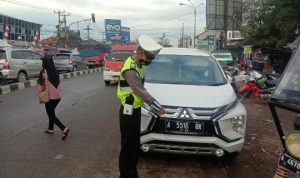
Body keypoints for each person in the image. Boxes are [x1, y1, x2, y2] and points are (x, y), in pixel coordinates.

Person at [117, 35, 166, 178]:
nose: (149, 61)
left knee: (133, 147)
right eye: (148, 57)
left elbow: (139, 93)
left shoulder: (136, 64)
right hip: (128, 113)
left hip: (134, 111)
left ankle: (132, 174)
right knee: (128, 149)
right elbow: (141, 92)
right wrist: (158, 107)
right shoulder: (131, 69)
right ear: (139, 52)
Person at [37, 54, 70, 140]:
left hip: (49, 97)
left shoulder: (43, 72)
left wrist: (39, 93)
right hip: (57, 97)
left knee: (51, 115)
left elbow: (40, 85)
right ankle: (50, 129)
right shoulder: (55, 70)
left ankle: (64, 128)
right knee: (51, 113)